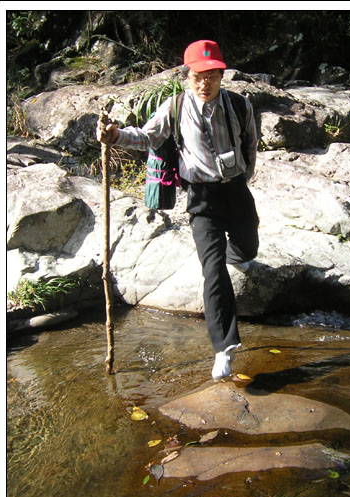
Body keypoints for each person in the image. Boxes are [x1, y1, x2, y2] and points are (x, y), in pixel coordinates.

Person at [97, 40, 259, 380]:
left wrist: (243, 178)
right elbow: (146, 137)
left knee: (248, 248)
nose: (205, 83)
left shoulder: (240, 106)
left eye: (212, 76)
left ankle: (233, 253)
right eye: (198, 76)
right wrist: (114, 136)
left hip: (236, 190)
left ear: (221, 75)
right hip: (201, 199)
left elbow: (250, 146)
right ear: (188, 76)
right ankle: (224, 349)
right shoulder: (175, 107)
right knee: (213, 271)